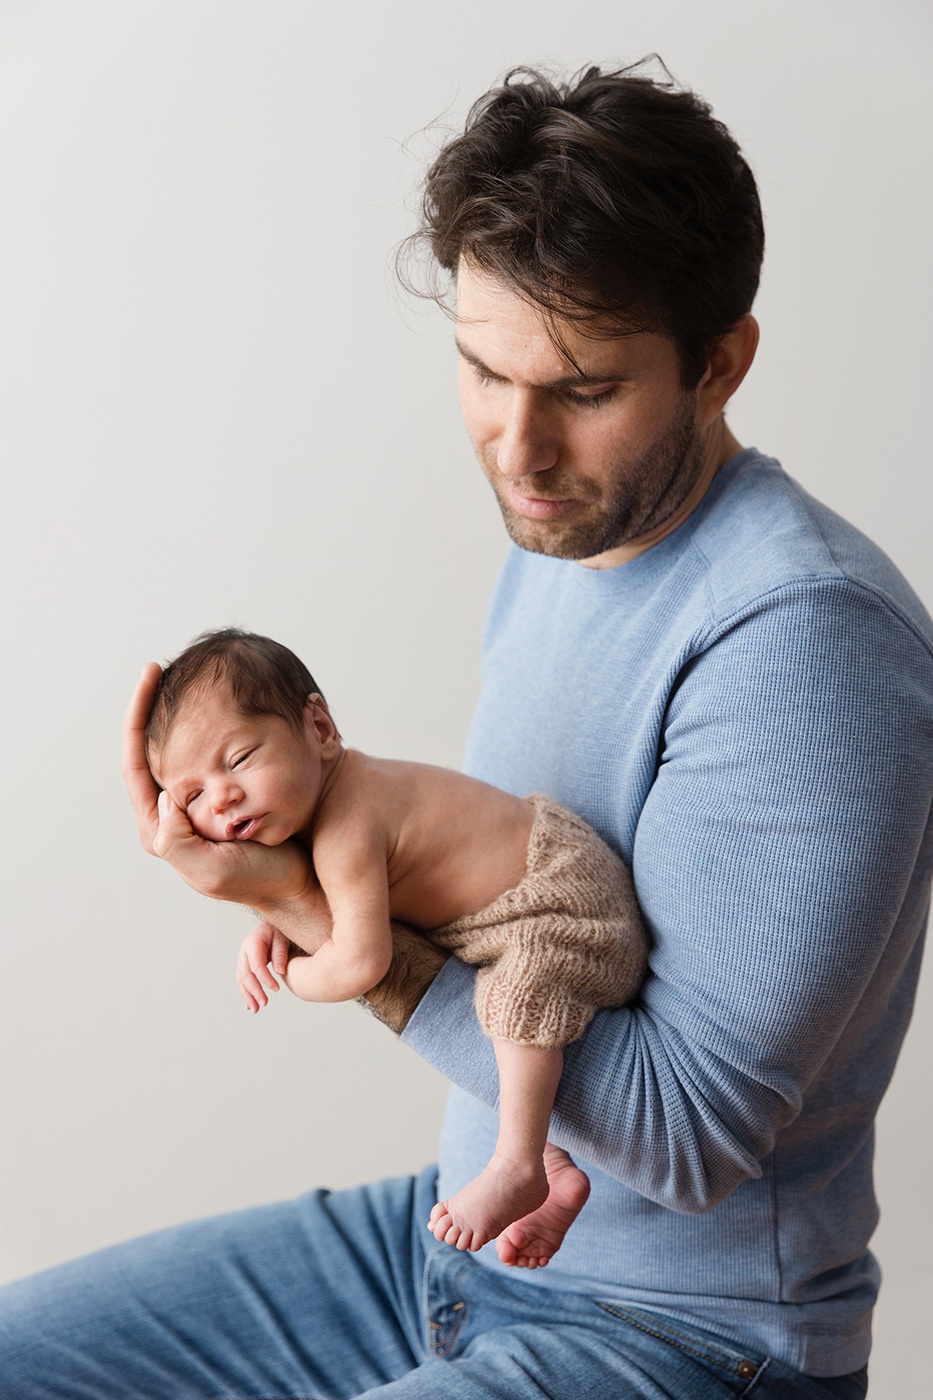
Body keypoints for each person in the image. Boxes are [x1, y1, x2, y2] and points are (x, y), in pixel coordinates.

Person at [1, 59, 930, 1400]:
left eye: (586, 391)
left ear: (722, 362)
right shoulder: (556, 548)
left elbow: (680, 1137)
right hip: (454, 1249)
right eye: (483, 371)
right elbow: (503, 918)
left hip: (680, 1336)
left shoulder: (808, 644)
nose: (518, 446)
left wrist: (326, 923)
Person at [145, 625, 648, 1265]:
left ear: (320, 730)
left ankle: (519, 1163)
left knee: (513, 1001)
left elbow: (360, 962)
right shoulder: (324, 819)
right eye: (191, 798)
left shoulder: (349, 824)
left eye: (239, 759)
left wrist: (293, 975)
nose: (222, 797)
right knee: (481, 1015)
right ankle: (554, 1164)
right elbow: (325, 897)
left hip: (563, 905)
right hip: (508, 911)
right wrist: (269, 921)